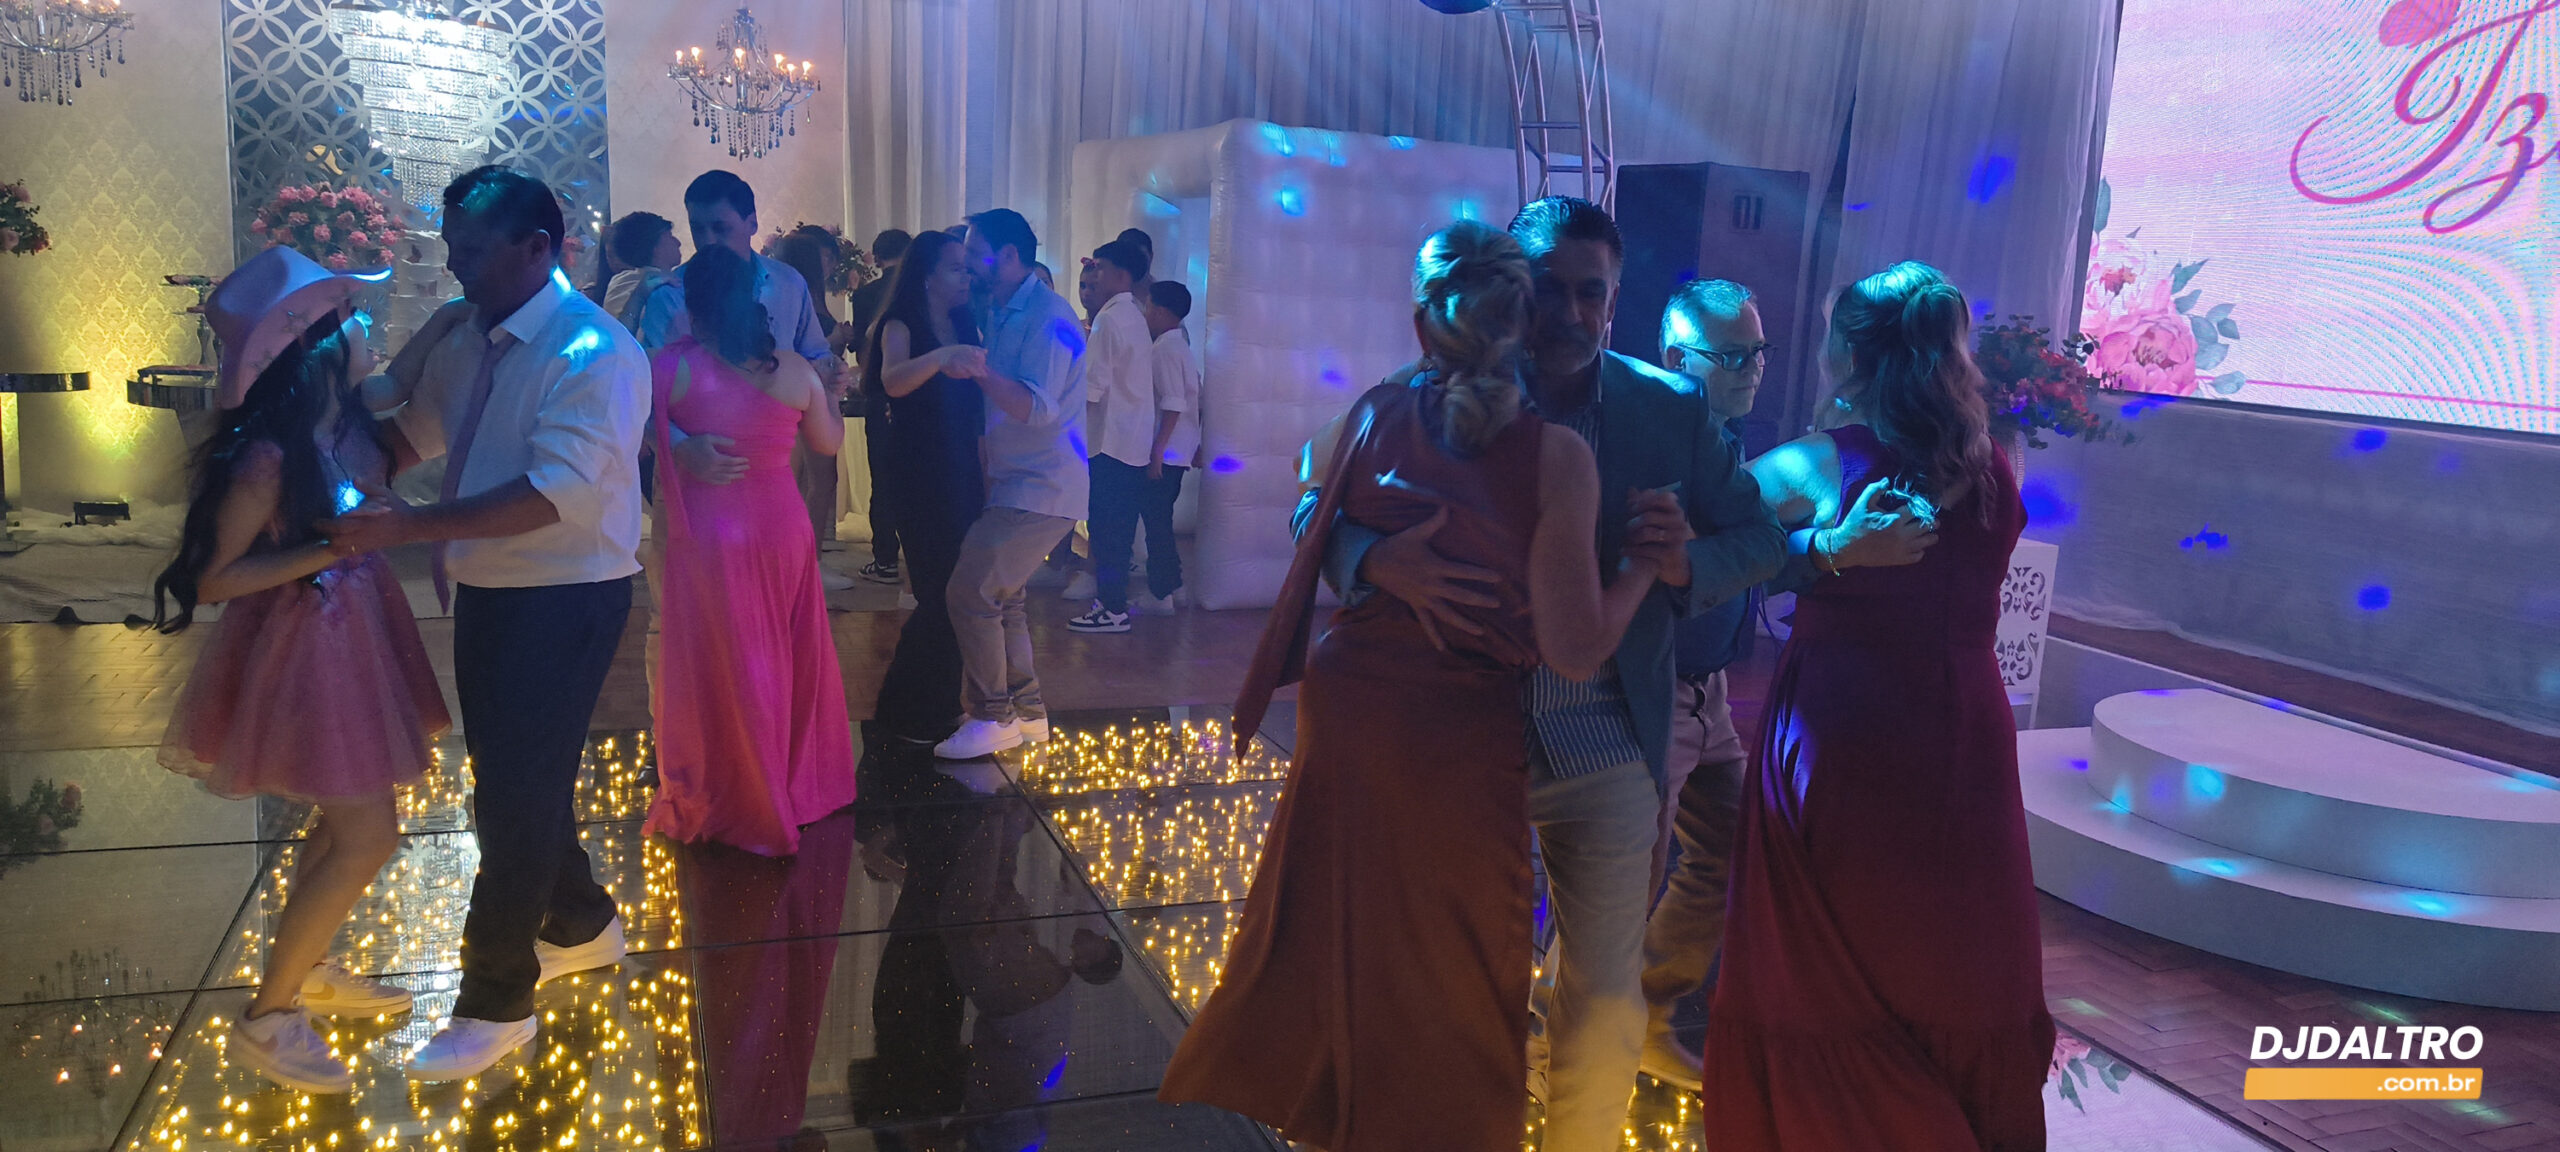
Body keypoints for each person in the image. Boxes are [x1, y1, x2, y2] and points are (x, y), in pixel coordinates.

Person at [1161, 220, 1678, 1151]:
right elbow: (1573, 647)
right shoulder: (1554, 456)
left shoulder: (1373, 412)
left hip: (1353, 713)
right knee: (1456, 971)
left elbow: (1311, 477)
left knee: (1343, 947)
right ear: (1524, 318)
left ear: (1422, 324)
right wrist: (1643, 565)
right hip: (1450, 735)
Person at [1291, 197, 1783, 1149]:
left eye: (1589, 293)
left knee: (1602, 999)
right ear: (1511, 292)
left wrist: (1682, 562)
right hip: (1458, 740)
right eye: (1547, 290)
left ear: (1616, 301)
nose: (1569, 313)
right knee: (1445, 983)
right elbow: (1310, 505)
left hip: (1609, 737)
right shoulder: (1426, 393)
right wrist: (1374, 558)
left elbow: (1760, 535)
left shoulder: (1668, 410)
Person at [1704, 261, 2052, 1148]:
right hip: (1966, 733)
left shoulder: (1821, 463)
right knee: (1951, 950)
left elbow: (1703, 532)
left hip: (1847, 730)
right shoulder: (1995, 466)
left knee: (1826, 953)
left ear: (1851, 355)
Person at [323, 164, 650, 1081]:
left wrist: (408, 527)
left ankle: (496, 1000)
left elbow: (554, 495)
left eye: (471, 250)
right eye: (450, 245)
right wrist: (319, 450)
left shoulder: (594, 351)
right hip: (489, 588)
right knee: (517, 782)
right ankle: (580, 920)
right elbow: (414, 436)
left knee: (511, 797)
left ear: (537, 248)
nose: (454, 265)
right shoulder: (469, 337)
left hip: (565, 593)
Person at [150, 246, 447, 1095]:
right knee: (369, 833)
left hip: (348, 637)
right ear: (311, 347)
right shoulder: (270, 459)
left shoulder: (340, 429)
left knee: (344, 815)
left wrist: (445, 330)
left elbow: (399, 406)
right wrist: (329, 549)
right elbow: (211, 579)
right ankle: (268, 1017)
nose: (367, 327)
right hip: (309, 653)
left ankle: (306, 969)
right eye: (352, 317)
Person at [643, 243, 858, 856]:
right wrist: (831, 395)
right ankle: (788, 784)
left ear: (694, 306)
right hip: (780, 525)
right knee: (783, 653)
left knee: (722, 660)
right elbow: (827, 442)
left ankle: (735, 787)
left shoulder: (671, 366)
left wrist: (679, 445)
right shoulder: (792, 368)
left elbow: (633, 423)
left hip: (711, 533)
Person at [637, 171, 851, 572]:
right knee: (684, 588)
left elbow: (813, 353)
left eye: (721, 228)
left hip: (770, 466)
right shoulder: (672, 292)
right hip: (691, 469)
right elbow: (641, 396)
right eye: (698, 229)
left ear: (752, 223)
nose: (708, 241)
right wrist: (680, 445)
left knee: (770, 581)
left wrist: (830, 375)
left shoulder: (787, 283)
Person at [934, 208, 1087, 761]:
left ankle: (991, 715)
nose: (969, 265)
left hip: (1043, 486)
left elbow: (1037, 409)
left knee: (971, 591)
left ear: (1011, 255)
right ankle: (1027, 711)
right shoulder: (1002, 308)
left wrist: (978, 370)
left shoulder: (1048, 316)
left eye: (976, 254)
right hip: (1017, 481)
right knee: (1006, 599)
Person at [864, 229, 985, 747]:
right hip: (919, 468)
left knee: (958, 592)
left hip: (962, 466)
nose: (966, 277)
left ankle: (933, 706)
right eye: (956, 268)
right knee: (939, 591)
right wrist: (941, 357)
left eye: (966, 267)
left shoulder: (964, 320)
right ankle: (905, 709)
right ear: (928, 275)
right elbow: (892, 380)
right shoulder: (902, 321)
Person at [1066, 239, 1158, 634]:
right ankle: (1112, 604)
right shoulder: (1133, 314)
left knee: (1106, 530)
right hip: (1130, 440)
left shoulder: (1109, 319)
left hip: (1109, 441)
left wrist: (1063, 427)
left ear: (1121, 275)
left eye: (1099, 267)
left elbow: (1092, 387)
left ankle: (1111, 608)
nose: (1092, 274)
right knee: (1117, 528)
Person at [846, 228, 915, 585]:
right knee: (915, 474)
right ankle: (918, 557)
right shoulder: (920, 291)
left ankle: (885, 558)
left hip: (878, 392)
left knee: (882, 477)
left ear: (876, 256)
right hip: (917, 391)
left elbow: (862, 351)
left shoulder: (866, 295)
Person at [1134, 279, 1200, 613]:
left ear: (1159, 311)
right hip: (1179, 448)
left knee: (1156, 521)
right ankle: (1173, 585)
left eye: (1147, 307)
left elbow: (1173, 403)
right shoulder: (1180, 346)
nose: (1145, 313)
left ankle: (1161, 593)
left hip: (1168, 450)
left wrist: (1157, 451)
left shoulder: (1164, 350)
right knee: (1161, 518)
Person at [599, 212, 681, 334]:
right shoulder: (630, 283)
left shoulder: (623, 281)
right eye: (670, 236)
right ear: (655, 246)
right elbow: (619, 335)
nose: (678, 242)